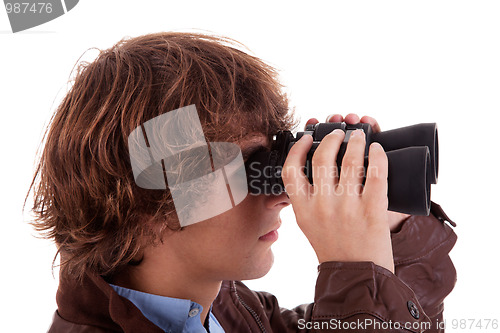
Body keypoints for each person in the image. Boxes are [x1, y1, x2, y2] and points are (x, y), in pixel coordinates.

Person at [27, 32, 457, 332]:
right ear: (148, 205)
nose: (280, 199)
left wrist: (386, 226)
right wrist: (358, 271)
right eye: (249, 169)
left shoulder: (231, 312)